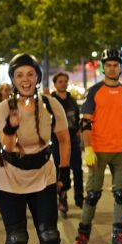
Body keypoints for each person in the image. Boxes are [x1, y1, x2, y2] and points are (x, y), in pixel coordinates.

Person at [0, 54, 74, 244]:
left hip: (43, 174)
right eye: (19, 75)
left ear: (38, 76)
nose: (25, 80)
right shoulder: (3, 108)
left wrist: (64, 172)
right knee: (17, 238)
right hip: (10, 177)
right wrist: (10, 126)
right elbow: (7, 146)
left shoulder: (51, 105)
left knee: (50, 235)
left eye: (30, 74)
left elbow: (64, 139)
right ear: (13, 80)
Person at [72, 49, 122, 244]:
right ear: (103, 67)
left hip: (119, 150)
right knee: (92, 194)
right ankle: (83, 234)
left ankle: (118, 236)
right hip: (98, 150)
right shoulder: (94, 91)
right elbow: (85, 122)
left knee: (121, 194)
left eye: (115, 65)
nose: (112, 68)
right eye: (108, 65)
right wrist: (88, 148)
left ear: (120, 67)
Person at [50, 72, 84, 214]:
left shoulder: (72, 100)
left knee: (77, 170)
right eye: (60, 81)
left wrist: (79, 131)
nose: (63, 84)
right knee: (60, 171)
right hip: (57, 141)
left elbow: (76, 118)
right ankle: (62, 199)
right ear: (55, 84)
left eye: (65, 81)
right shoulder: (51, 101)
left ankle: (79, 197)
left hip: (73, 140)